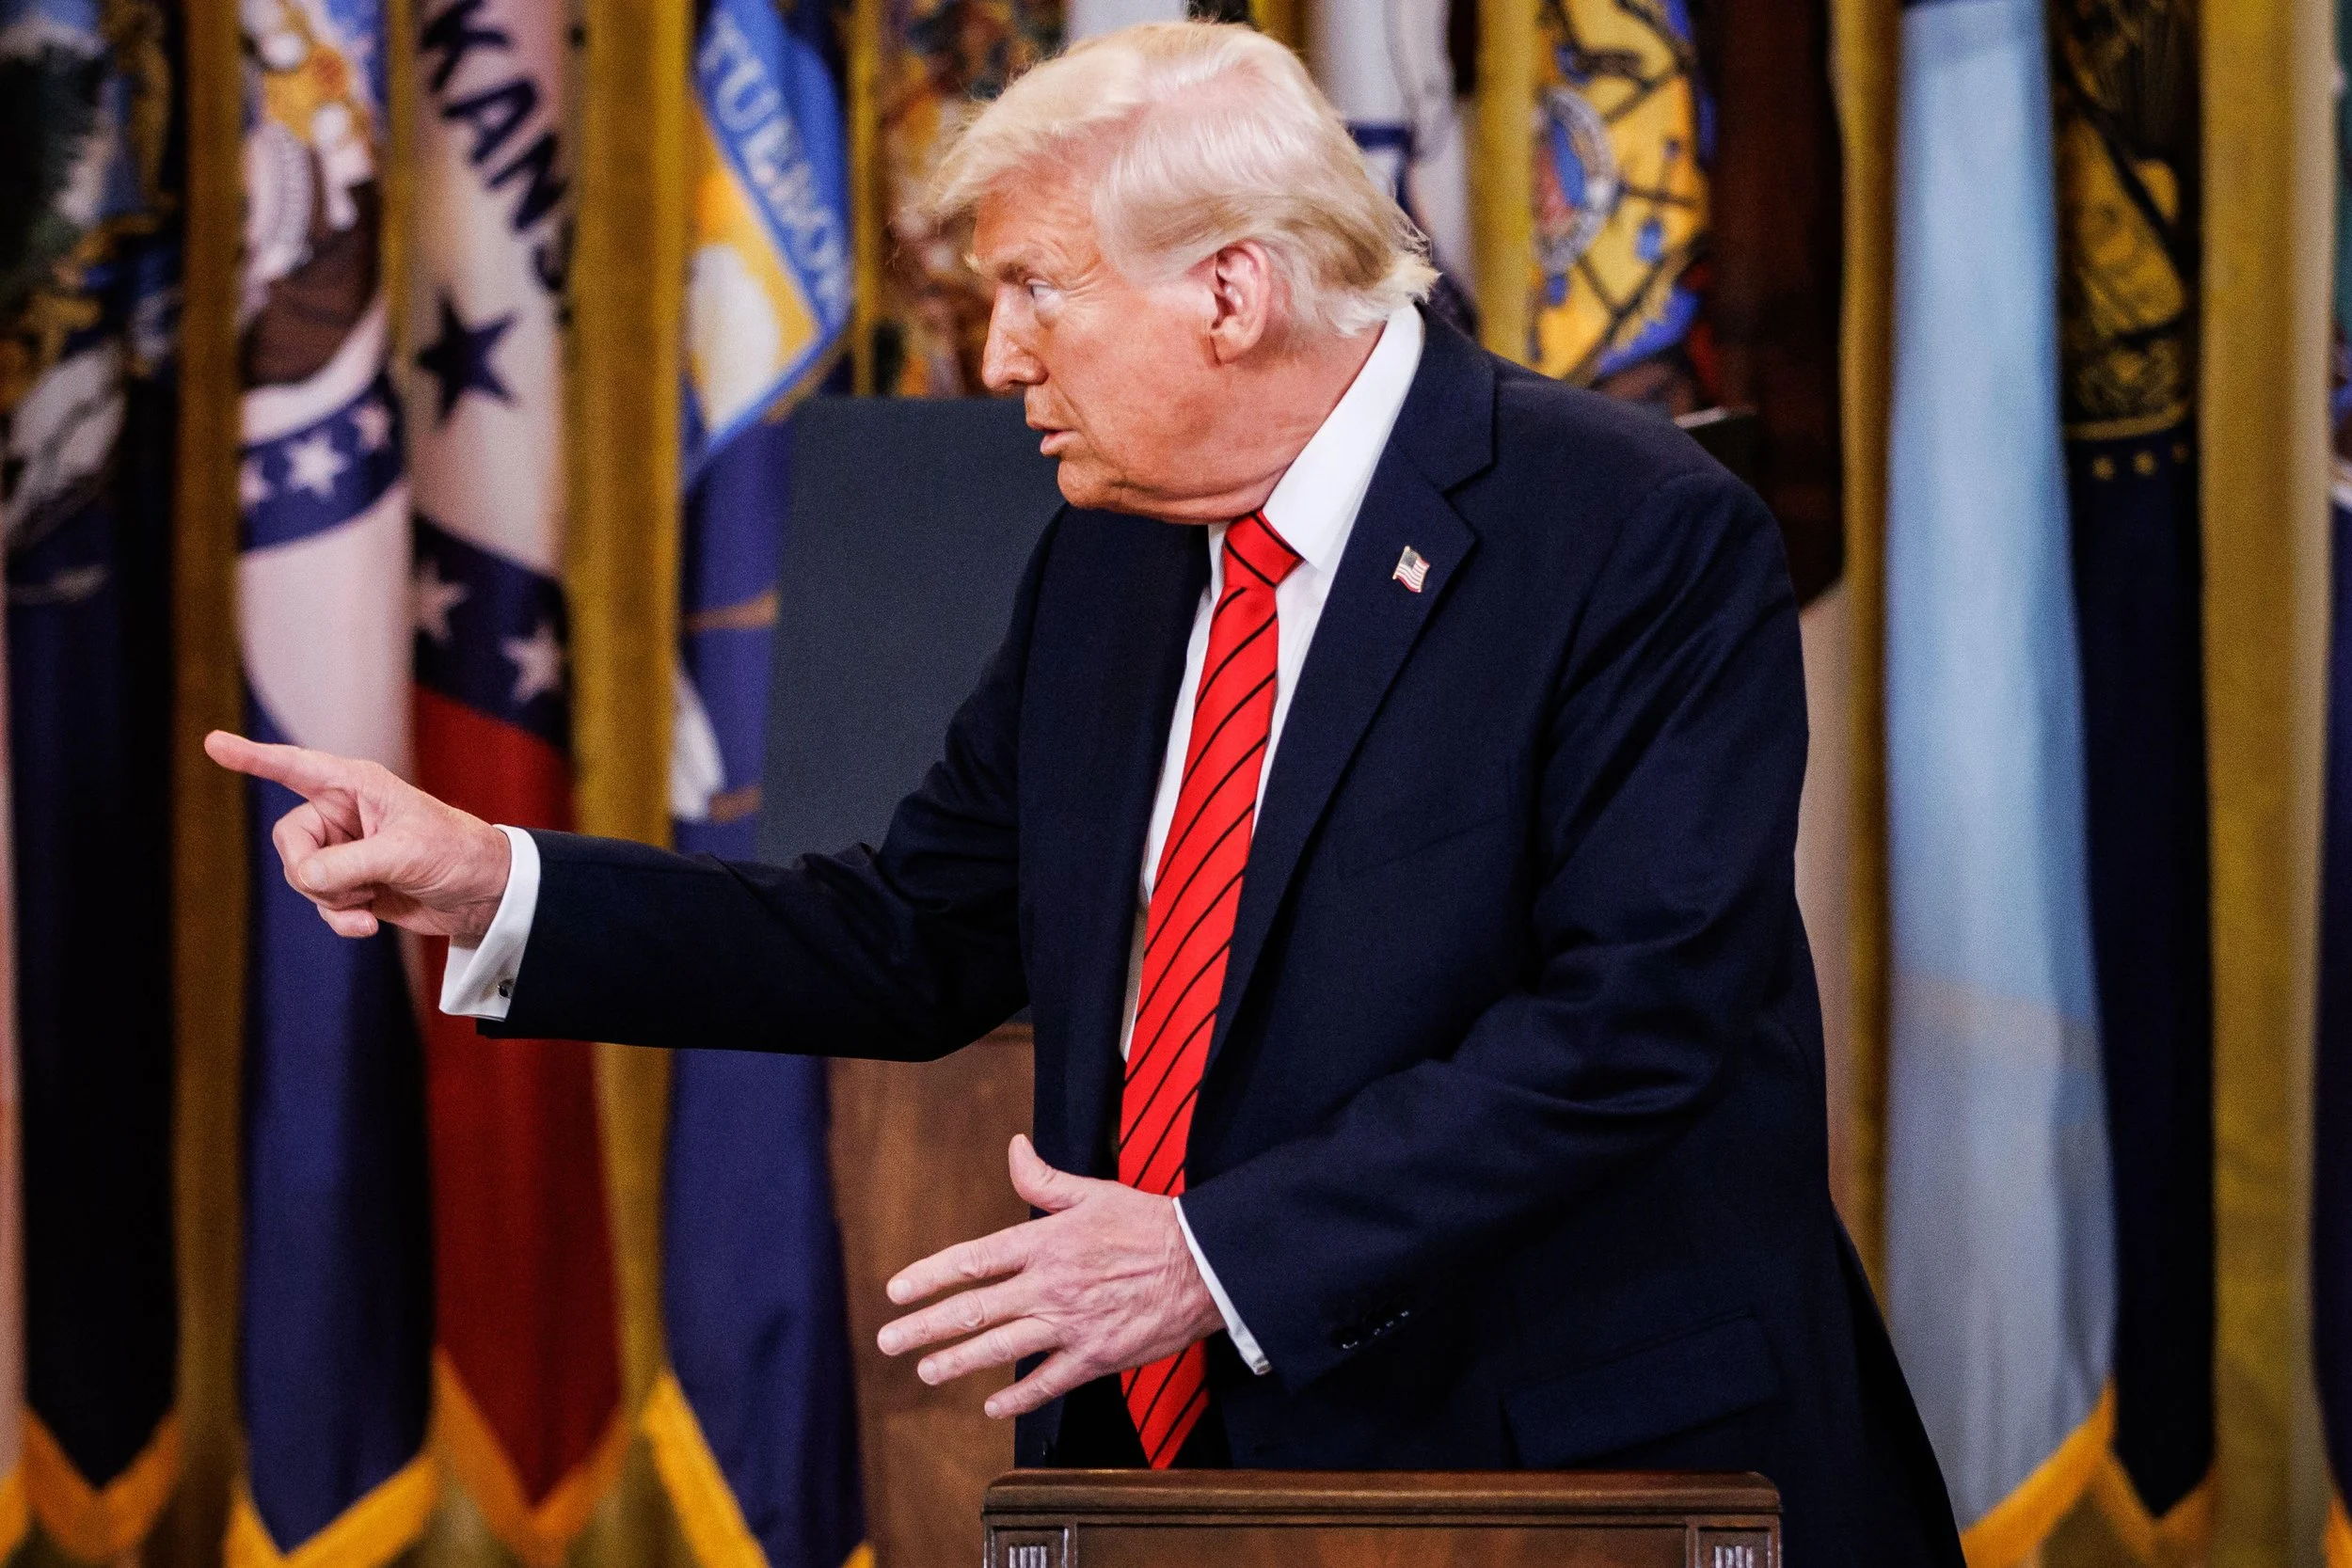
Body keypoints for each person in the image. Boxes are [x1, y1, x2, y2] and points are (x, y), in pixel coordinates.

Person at [210, 21, 1962, 1564]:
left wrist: (1214, 1257)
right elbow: (905, 935)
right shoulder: (1113, 560)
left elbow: (1634, 1022)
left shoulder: (1633, 534)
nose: (996, 357)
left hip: (1558, 1467)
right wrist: (499, 882)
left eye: (1037, 290)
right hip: (1170, 1483)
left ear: (1232, 291)